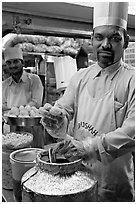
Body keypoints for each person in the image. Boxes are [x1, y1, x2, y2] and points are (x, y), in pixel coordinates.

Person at [41, 2, 135, 202]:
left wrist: (88, 147)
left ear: (126, 41)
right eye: (99, 37)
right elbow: (64, 108)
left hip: (114, 182)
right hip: (78, 174)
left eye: (114, 38)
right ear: (92, 40)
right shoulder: (81, 77)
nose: (105, 45)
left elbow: (132, 131)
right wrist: (57, 120)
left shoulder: (132, 80)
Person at [2, 47, 44, 147]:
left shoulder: (34, 80)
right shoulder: (4, 84)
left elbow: (36, 103)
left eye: (16, 61)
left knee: (32, 156)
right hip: (10, 131)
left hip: (31, 128)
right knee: (11, 158)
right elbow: (2, 107)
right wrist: (16, 112)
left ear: (22, 62)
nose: (12, 65)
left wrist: (14, 111)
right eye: (9, 63)